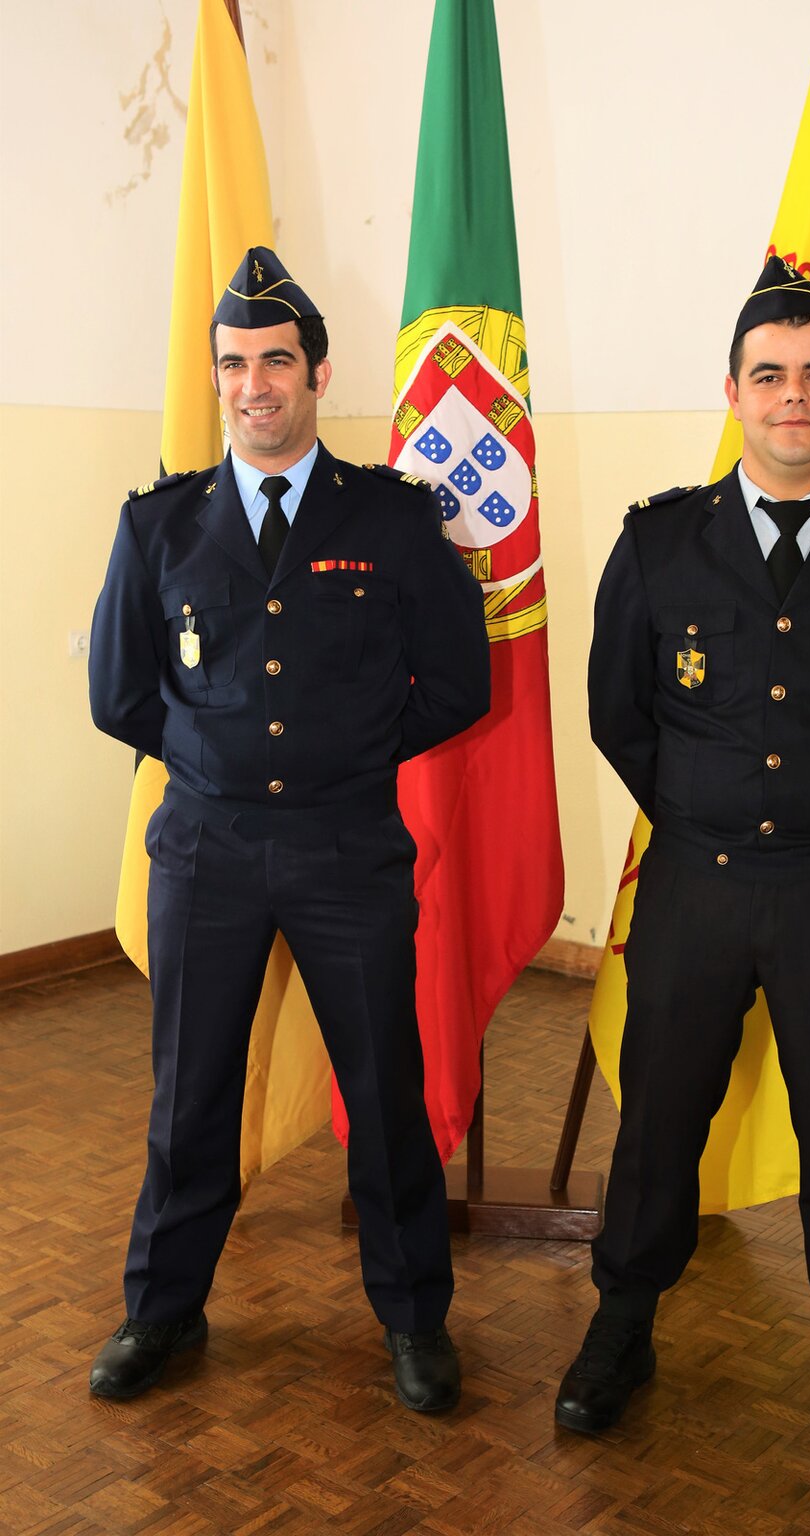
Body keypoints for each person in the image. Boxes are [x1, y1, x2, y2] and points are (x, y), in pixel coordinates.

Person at [555, 256, 810, 1472]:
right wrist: (703, 816)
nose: (794, 396)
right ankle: (621, 1326)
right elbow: (617, 715)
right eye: (770, 375)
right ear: (731, 391)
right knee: (659, 1113)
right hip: (693, 884)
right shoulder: (658, 544)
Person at [88, 247, 490, 1412]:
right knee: (190, 1094)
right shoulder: (160, 525)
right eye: (232, 364)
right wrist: (220, 759)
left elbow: (457, 685)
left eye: (275, 360)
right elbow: (120, 692)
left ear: (318, 373)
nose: (253, 383)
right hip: (206, 852)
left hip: (344, 850)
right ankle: (161, 1309)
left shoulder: (396, 519)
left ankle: (414, 1320)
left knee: (384, 1087)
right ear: (216, 379)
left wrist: (344, 754)